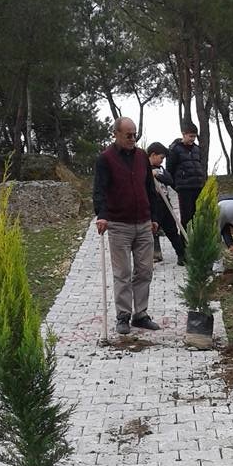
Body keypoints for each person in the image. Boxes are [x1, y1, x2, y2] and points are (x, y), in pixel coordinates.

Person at [93, 117, 161, 335]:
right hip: (118, 225)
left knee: (145, 271)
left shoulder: (142, 156)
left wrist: (154, 217)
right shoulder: (105, 159)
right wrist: (102, 215)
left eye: (135, 134)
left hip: (143, 223)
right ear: (116, 134)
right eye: (128, 135)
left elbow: (151, 189)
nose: (133, 138)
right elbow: (99, 190)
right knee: (122, 273)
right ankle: (123, 316)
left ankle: (140, 314)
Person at [147, 142, 186, 267]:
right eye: (161, 158)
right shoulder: (143, 168)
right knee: (150, 234)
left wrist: (158, 175)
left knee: (172, 231)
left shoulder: (161, 169)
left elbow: (169, 180)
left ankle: (182, 256)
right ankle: (149, 261)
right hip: (153, 206)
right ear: (153, 155)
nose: (162, 161)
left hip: (165, 204)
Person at [166, 122, 205, 229]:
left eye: (195, 136)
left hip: (198, 187)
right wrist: (177, 186)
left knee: (198, 216)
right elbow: (169, 170)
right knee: (186, 218)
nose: (193, 139)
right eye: (190, 136)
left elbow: (200, 165)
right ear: (184, 134)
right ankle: (185, 243)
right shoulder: (174, 149)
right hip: (184, 189)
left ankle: (197, 241)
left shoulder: (197, 149)